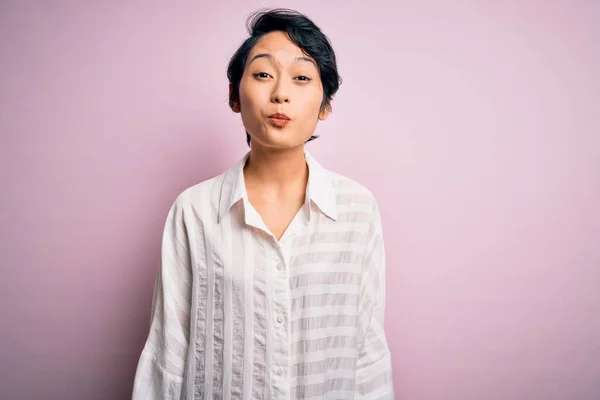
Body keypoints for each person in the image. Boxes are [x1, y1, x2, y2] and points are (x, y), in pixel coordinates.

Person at [132, 8, 394, 399]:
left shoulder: (357, 209)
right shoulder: (195, 210)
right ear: (236, 96)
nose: (280, 94)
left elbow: (367, 350)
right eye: (262, 75)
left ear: (325, 106)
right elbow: (168, 352)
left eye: (302, 78)